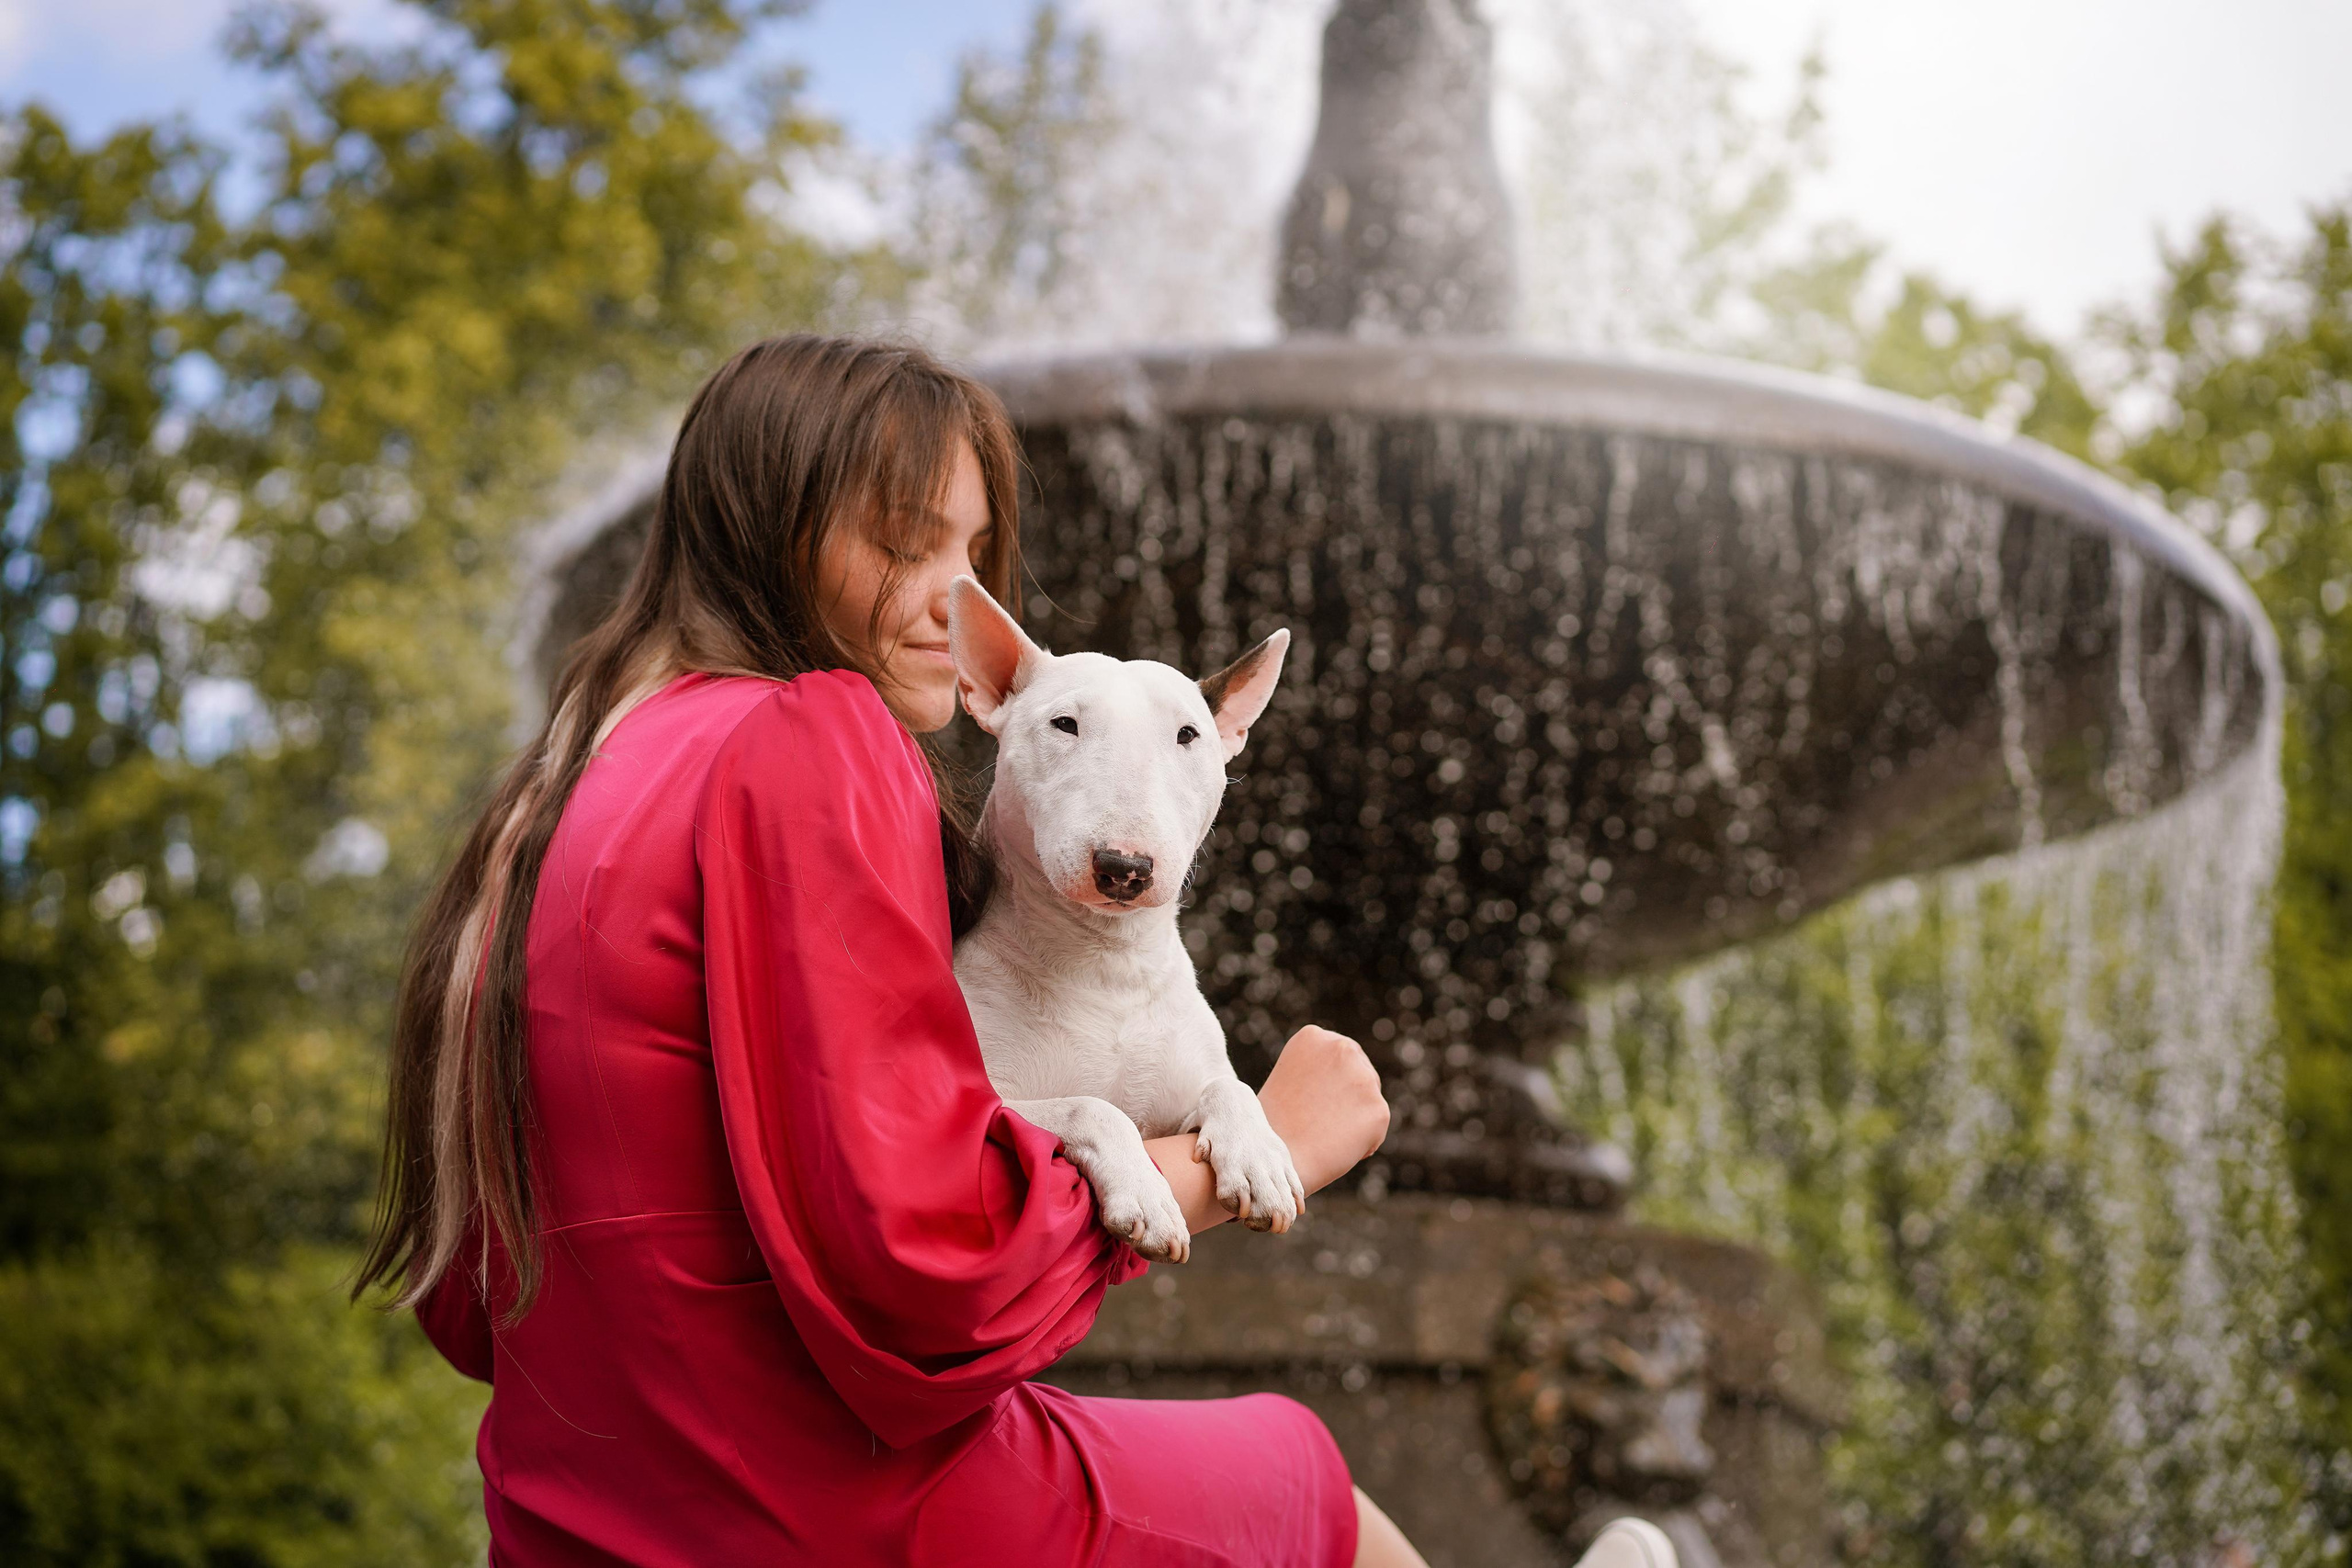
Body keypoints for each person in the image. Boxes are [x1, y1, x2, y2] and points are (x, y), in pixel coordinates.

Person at [353, 333, 1418, 1565]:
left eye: (971, 550)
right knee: (1301, 1477)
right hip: (809, 1509)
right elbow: (931, 1258)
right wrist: (1252, 1152)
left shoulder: (559, 789)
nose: (953, 598)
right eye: (903, 544)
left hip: (565, 1510)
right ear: (772, 529)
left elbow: (465, 1293)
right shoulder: (812, 735)